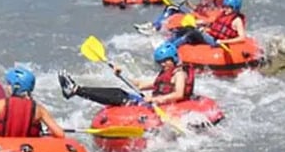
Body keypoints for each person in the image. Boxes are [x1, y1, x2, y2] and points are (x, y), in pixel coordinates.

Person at [58, 42, 195, 106]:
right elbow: (140, 85)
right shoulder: (165, 73)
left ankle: (76, 90)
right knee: (118, 92)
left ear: (174, 59)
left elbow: (179, 94)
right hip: (153, 103)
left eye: (166, 61)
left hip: (163, 106)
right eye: (161, 62)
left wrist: (154, 100)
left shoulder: (179, 74)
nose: (163, 64)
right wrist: (120, 74)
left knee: (120, 97)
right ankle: (76, 90)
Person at [0, 67, 66, 138]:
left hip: (1, 151)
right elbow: (60, 134)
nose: (6, 87)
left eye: (9, 84)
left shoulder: (0, 105)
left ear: (16, 86)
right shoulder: (38, 109)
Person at [169, 0, 246, 47]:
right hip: (212, 37)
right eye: (224, 6)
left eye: (228, 7)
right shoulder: (224, 15)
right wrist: (199, 24)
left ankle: (173, 47)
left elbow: (242, 38)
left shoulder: (237, 20)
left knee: (192, 33)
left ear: (235, 8)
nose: (225, 9)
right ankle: (169, 43)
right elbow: (213, 24)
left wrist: (223, 42)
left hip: (218, 42)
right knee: (187, 28)